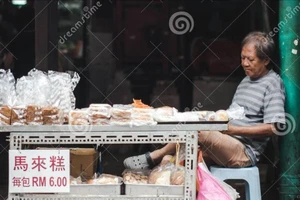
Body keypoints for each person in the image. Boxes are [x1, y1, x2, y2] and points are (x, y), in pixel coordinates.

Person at [123, 31, 286, 169]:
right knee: (171, 161)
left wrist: (232, 130)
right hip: (225, 142)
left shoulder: (272, 84)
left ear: (266, 60)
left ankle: (154, 155)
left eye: (250, 60)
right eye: (242, 58)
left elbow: (274, 128)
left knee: (199, 130)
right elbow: (234, 114)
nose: (244, 63)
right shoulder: (246, 80)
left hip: (243, 151)